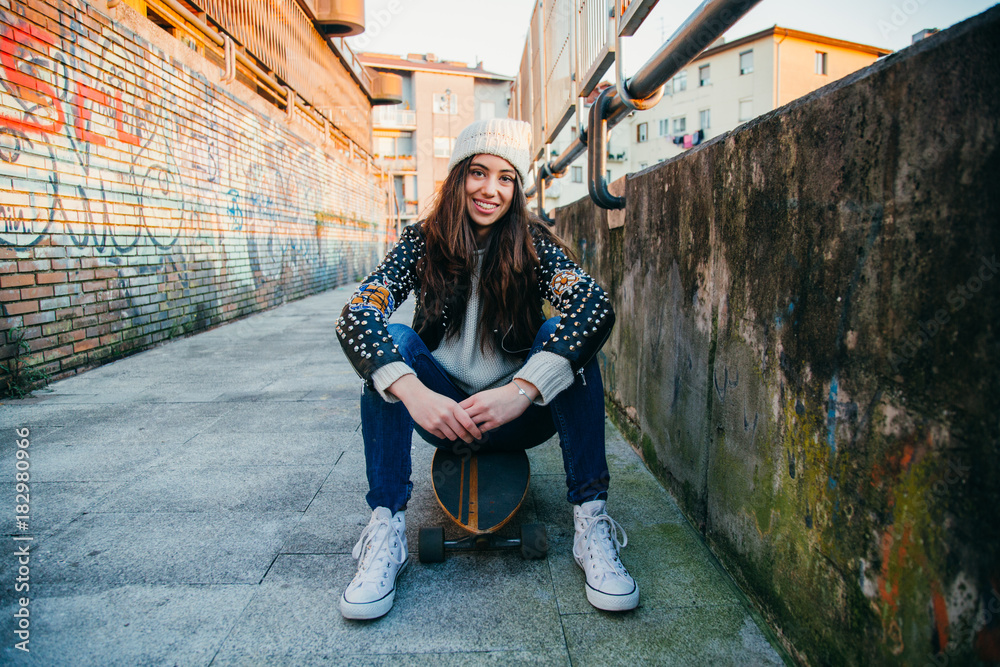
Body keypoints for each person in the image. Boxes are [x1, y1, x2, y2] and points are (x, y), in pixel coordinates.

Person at [336, 118, 638, 620]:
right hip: (444, 412)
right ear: (459, 176)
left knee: (563, 340)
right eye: (479, 172)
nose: (490, 190)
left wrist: (521, 389)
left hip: (518, 413)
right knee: (391, 344)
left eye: (506, 178)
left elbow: (593, 306)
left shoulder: (533, 245)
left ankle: (591, 523)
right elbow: (357, 314)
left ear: (516, 188)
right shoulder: (420, 244)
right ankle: (386, 528)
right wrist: (414, 391)